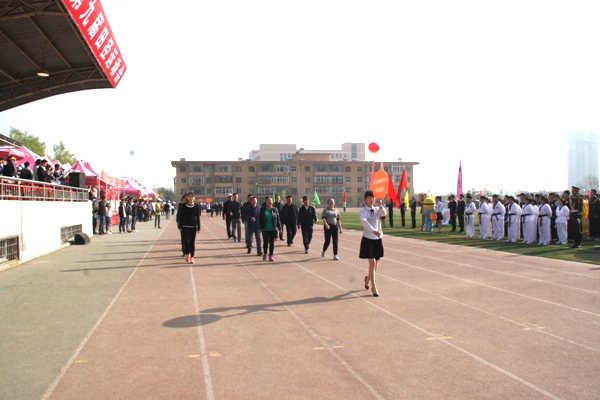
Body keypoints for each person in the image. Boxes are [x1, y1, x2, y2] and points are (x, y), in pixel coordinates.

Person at [359, 191, 386, 297]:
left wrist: (381, 205)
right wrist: (374, 231)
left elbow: (383, 214)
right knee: (372, 263)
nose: (371, 200)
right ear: (365, 199)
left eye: (373, 198)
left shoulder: (377, 210)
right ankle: (374, 288)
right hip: (368, 238)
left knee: (376, 264)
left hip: (377, 239)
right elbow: (365, 223)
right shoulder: (362, 211)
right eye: (369, 198)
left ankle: (367, 281)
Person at [178, 192, 201, 264]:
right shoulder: (183, 206)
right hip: (185, 226)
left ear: (194, 198)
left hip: (193, 226)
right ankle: (187, 254)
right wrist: (180, 225)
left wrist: (199, 227)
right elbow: (181, 216)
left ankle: (192, 257)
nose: (190, 198)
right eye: (189, 197)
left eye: (192, 197)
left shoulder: (197, 206)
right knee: (186, 241)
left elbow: (198, 217)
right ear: (187, 198)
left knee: (192, 242)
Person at [259, 196, 282, 261]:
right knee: (265, 242)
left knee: (271, 243)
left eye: (270, 201)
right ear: (266, 202)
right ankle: (265, 253)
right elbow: (260, 219)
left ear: (272, 202)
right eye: (268, 200)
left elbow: (278, 219)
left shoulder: (275, 209)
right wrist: (260, 227)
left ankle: (271, 255)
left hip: (273, 228)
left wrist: (280, 228)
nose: (269, 202)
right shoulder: (263, 209)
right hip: (265, 228)